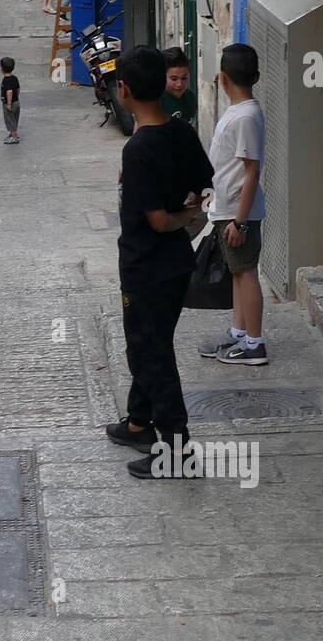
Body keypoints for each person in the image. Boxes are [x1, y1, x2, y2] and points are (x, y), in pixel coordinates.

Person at [101, 46, 214, 480]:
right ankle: (137, 421)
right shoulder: (181, 132)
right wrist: (191, 213)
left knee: (151, 354)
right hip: (175, 264)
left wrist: (180, 217)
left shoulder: (139, 149)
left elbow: (158, 220)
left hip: (146, 265)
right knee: (150, 342)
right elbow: (202, 189)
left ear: (125, 90)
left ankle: (175, 449)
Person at [198, 43, 268, 366]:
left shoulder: (247, 117)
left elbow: (251, 171)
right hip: (227, 210)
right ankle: (239, 333)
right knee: (238, 272)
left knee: (246, 273)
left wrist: (240, 221)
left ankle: (255, 343)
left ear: (223, 78)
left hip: (238, 213)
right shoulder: (239, 112)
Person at [159, 47, 198, 125]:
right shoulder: (155, 101)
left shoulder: (190, 98)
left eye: (184, 78)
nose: (179, 84)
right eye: (174, 79)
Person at [0, 57, 21, 144]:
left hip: (10, 103)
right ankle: (13, 134)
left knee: (10, 120)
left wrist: (9, 103)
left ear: (2, 69)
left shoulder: (6, 80)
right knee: (14, 119)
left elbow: (9, 91)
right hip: (16, 102)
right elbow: (18, 89)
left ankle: (14, 137)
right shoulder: (14, 78)